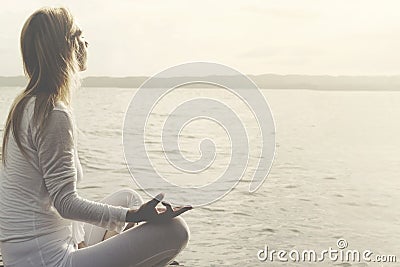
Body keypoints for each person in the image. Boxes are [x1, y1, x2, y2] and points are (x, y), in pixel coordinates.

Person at [0, 7, 192, 267]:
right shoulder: (52, 113)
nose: (85, 41)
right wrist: (133, 216)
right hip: (44, 261)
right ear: (64, 48)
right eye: (78, 35)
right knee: (176, 230)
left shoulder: (27, 104)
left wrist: (127, 215)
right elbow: (65, 203)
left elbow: (53, 203)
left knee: (128, 197)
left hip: (37, 250)